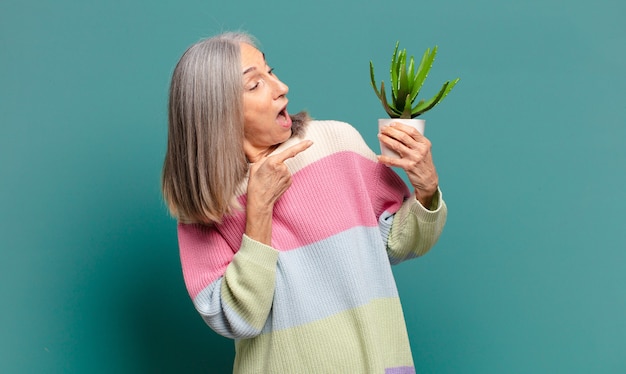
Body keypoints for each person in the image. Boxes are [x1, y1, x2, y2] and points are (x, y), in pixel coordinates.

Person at [161, 31, 447, 374]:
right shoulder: (205, 204)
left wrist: (427, 190)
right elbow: (239, 319)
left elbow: (396, 244)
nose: (281, 87)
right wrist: (259, 210)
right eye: (254, 85)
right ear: (215, 112)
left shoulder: (336, 142)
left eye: (271, 72)